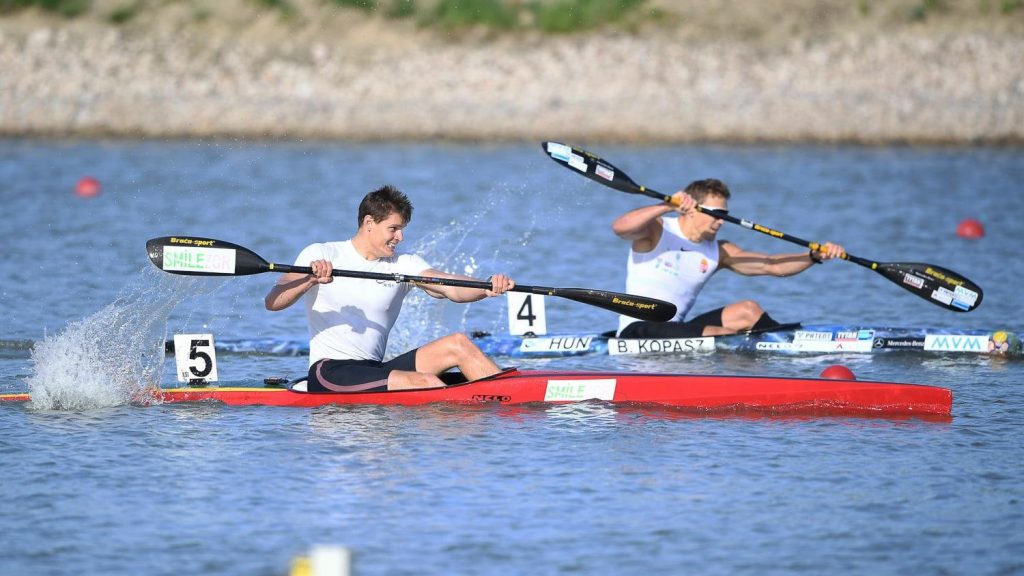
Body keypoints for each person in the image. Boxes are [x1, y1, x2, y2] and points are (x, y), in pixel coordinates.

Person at [264, 185, 515, 392]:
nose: (400, 237)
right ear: (369, 222)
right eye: (393, 229)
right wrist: (309, 279)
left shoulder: (404, 265)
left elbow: (451, 288)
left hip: (374, 369)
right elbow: (274, 301)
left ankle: (510, 399)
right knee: (426, 383)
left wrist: (486, 286)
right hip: (331, 371)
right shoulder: (321, 254)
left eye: (402, 230)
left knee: (459, 344)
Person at [612, 178, 845, 338]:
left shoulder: (720, 251)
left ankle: (788, 345)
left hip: (676, 330)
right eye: (716, 214)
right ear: (691, 208)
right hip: (637, 330)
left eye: (725, 215)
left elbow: (772, 266)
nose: (721, 221)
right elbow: (621, 228)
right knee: (722, 336)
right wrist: (666, 206)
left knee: (748, 310)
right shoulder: (659, 230)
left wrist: (813, 256)